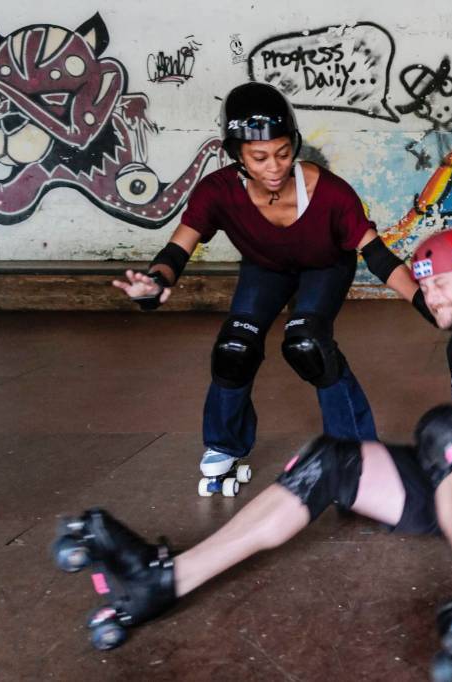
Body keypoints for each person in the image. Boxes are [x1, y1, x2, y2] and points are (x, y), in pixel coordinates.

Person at [56, 228, 452, 678]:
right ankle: (163, 581)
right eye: (424, 289)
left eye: (442, 284)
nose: (431, 298)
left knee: (446, 429)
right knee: (331, 459)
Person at [111, 82, 433, 489]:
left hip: (325, 267)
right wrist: (154, 285)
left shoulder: (332, 193)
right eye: (259, 157)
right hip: (265, 269)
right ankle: (224, 445)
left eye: (283, 153)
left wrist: (426, 302)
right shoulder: (217, 192)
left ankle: (357, 453)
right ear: (236, 156)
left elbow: (381, 259)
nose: (275, 167)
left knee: (307, 344)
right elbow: (177, 250)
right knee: (234, 348)